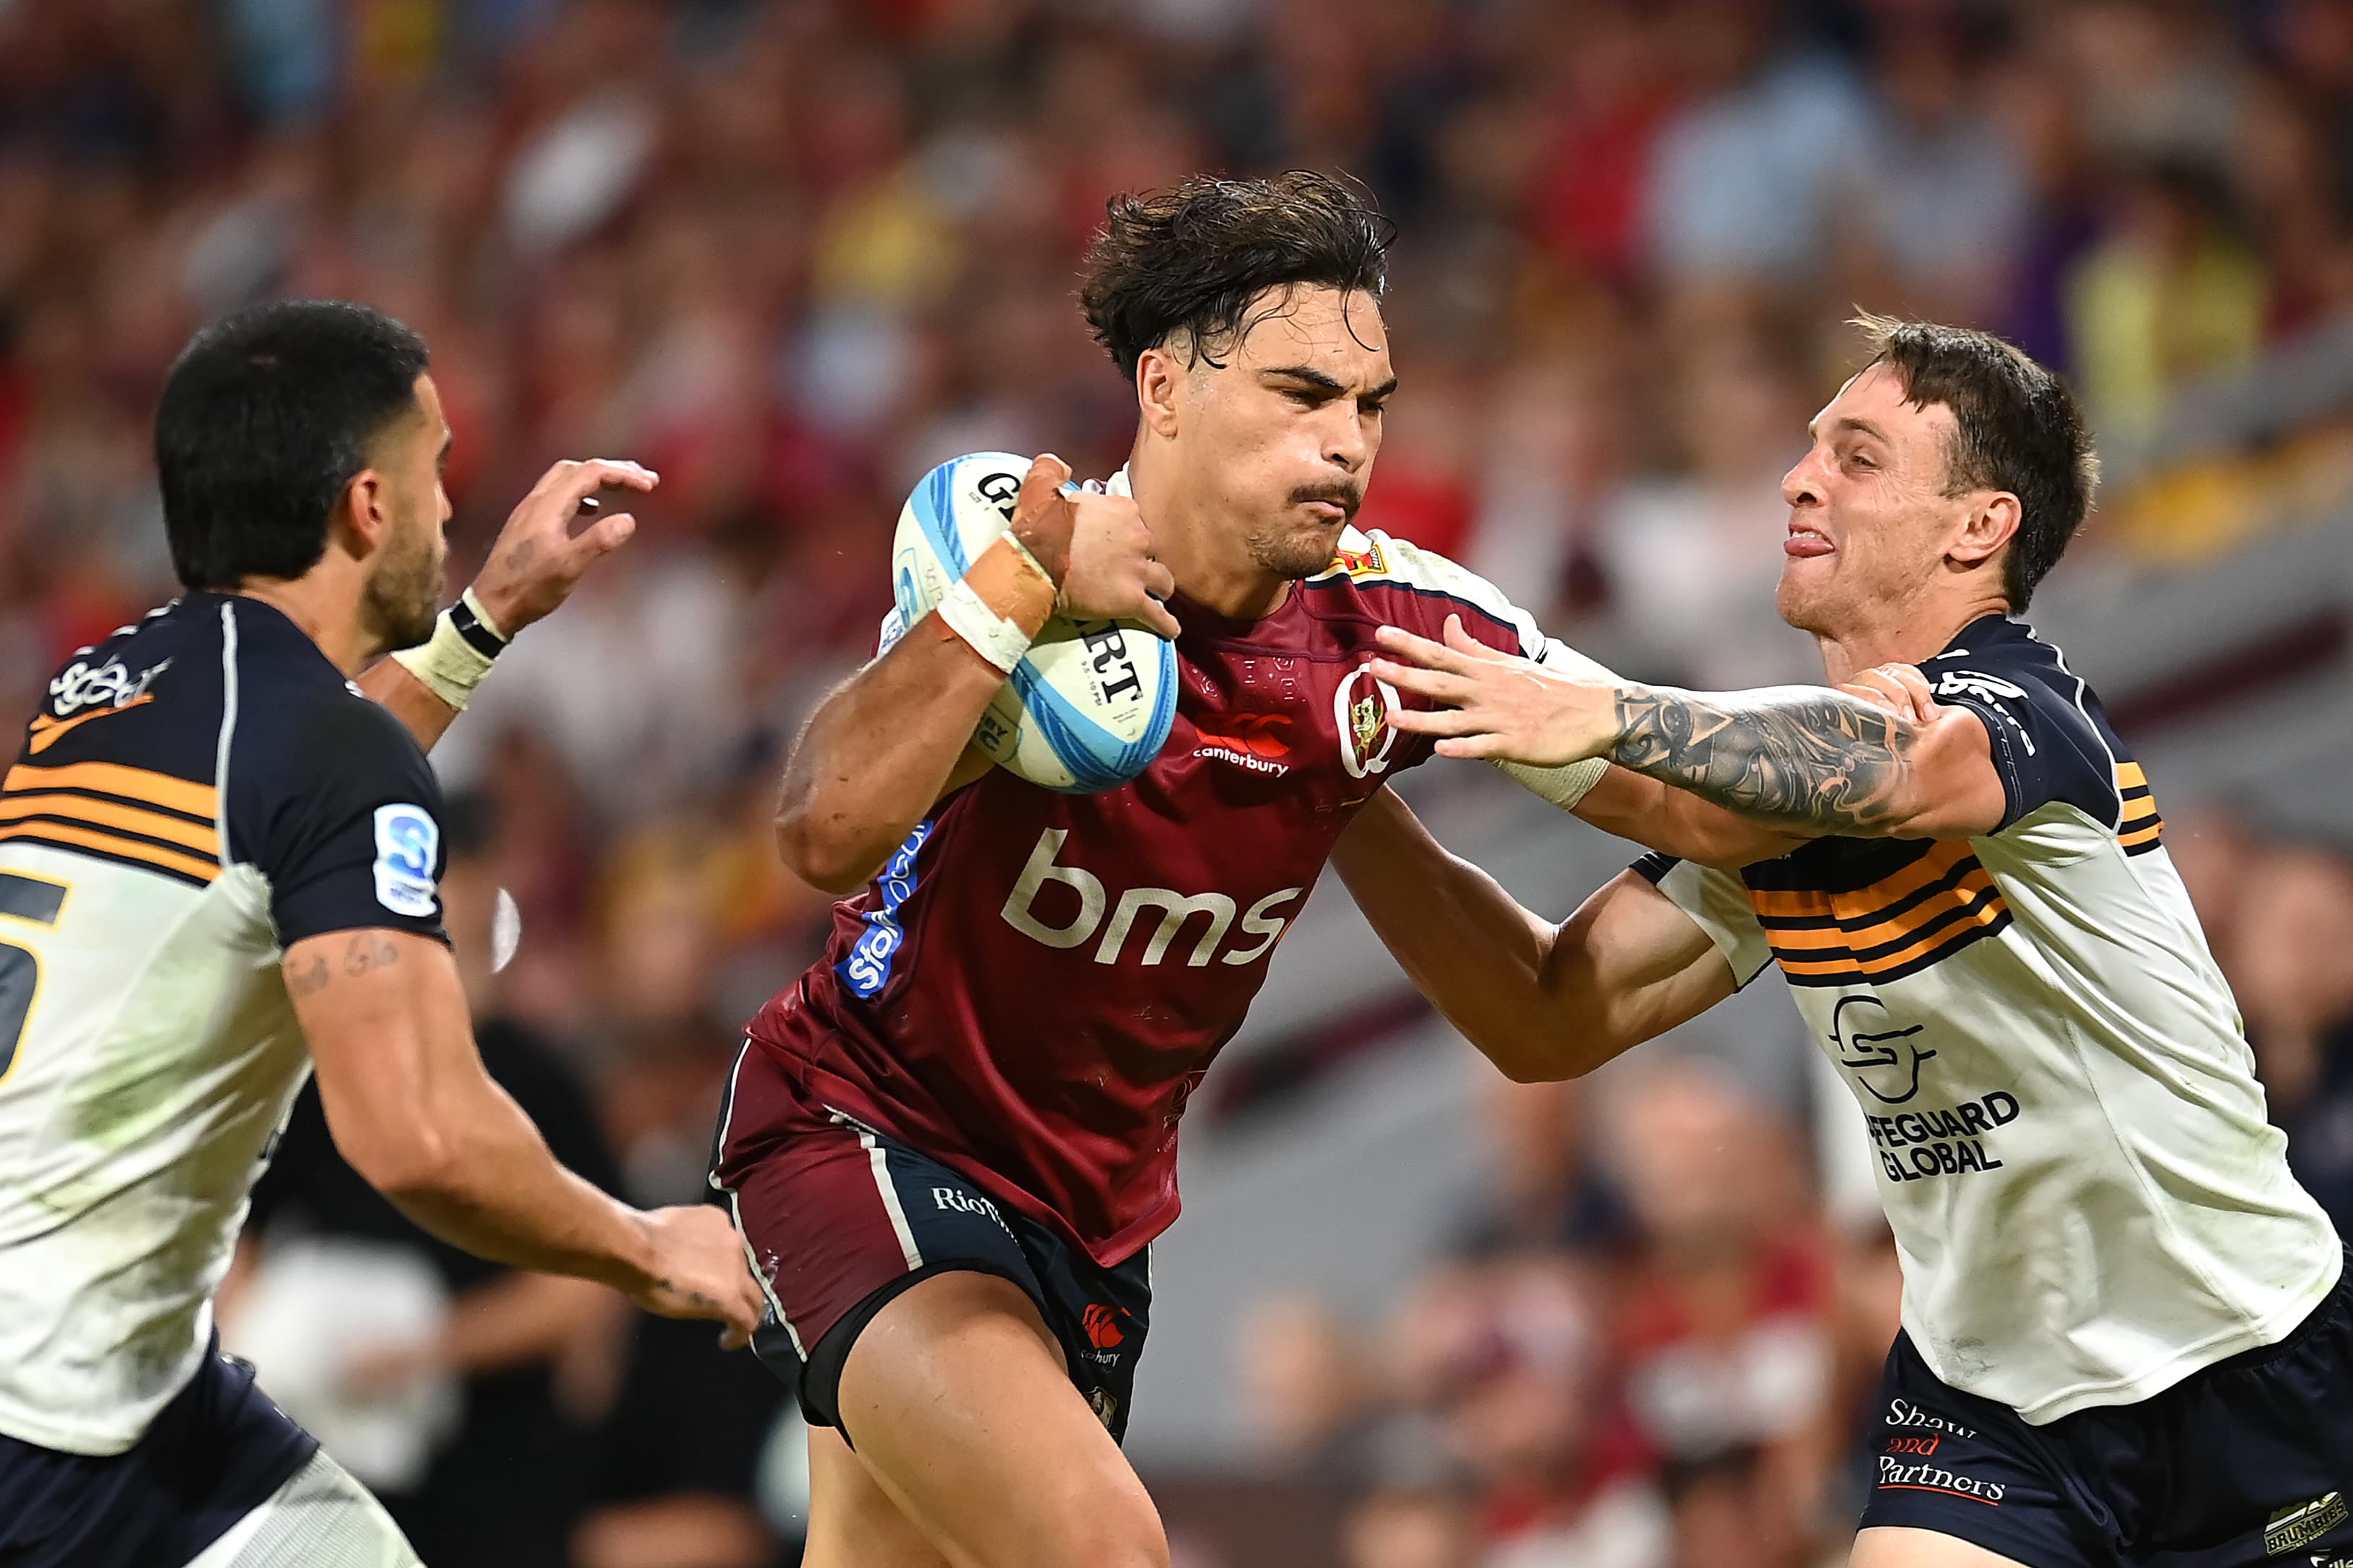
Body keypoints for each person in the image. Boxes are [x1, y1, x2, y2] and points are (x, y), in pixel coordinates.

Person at [715, 170, 1638, 1568]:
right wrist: (1016, 593)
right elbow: (820, 830)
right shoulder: (1026, 562)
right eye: (1298, 394)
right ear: (1164, 388)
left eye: (1367, 405)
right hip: (868, 1127)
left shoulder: (1385, 628)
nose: (1346, 445)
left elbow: (1660, 782)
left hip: (1094, 1219)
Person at [1334, 316, 2353, 1568]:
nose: (1798, 477)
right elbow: (1546, 1015)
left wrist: (1574, 701)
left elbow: (1871, 772)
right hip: (1991, 1405)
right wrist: (1334, 793)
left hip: (2245, 1370)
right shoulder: (1766, 812)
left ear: (1979, 525)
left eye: (1858, 457)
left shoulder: (2029, 709)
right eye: (1811, 447)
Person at [0, 299, 764, 1568]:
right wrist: (645, 1245)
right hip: (57, 1434)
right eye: (436, 472)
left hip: (129, 1389)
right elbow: (416, 1139)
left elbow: (301, 796)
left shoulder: (104, 688)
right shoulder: (319, 749)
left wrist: (490, 617)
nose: (451, 514)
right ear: (366, 507)